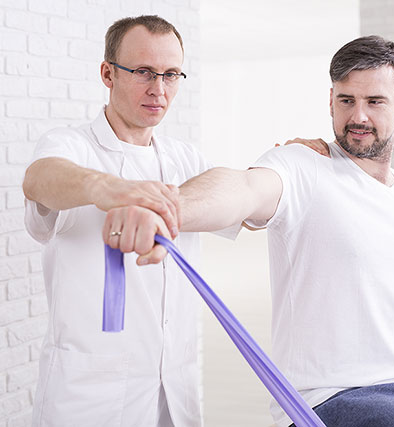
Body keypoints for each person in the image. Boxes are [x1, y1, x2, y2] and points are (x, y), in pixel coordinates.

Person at [104, 36, 394, 426]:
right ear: (330, 100)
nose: (358, 116)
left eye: (375, 101)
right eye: (345, 100)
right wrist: (167, 207)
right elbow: (242, 187)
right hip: (338, 397)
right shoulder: (301, 166)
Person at [22, 15, 240, 426]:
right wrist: (110, 189)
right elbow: (38, 179)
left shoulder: (185, 158)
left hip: (173, 389)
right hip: (89, 398)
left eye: (171, 74)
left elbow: (240, 204)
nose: (159, 89)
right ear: (108, 73)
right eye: (143, 72)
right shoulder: (70, 144)